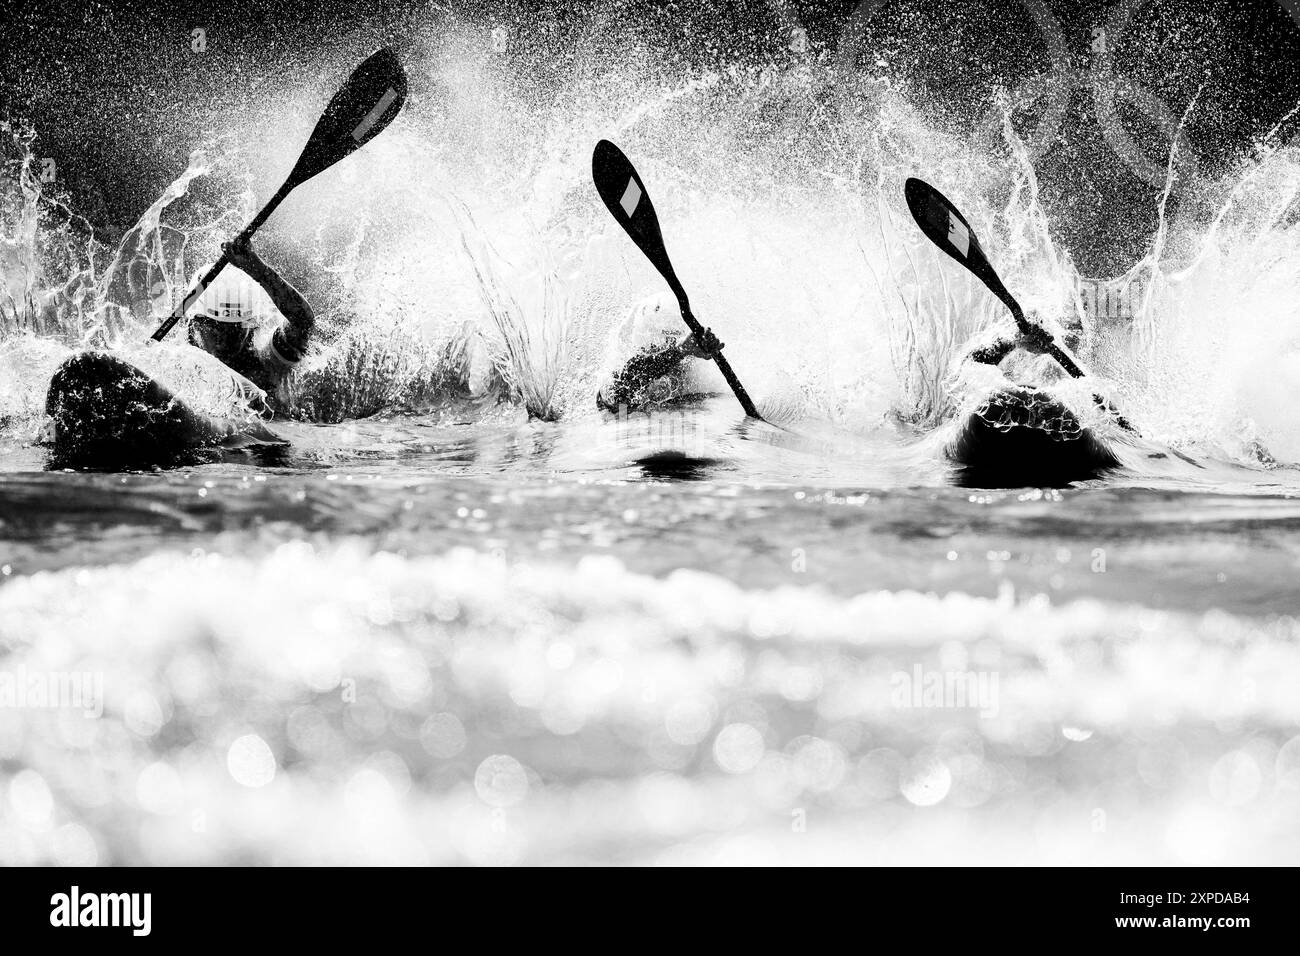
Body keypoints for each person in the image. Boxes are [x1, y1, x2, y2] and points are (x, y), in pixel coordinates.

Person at [186, 235, 315, 414]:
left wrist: (258, 270)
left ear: (252, 326)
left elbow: (302, 321)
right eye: (215, 329)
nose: (224, 342)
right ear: (193, 324)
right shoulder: (176, 365)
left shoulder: (267, 362)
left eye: (234, 330)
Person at [596, 294, 724, 412]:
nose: (677, 366)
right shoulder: (616, 385)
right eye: (663, 350)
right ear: (644, 351)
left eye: (690, 352)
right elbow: (621, 394)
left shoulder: (705, 385)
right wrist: (680, 351)